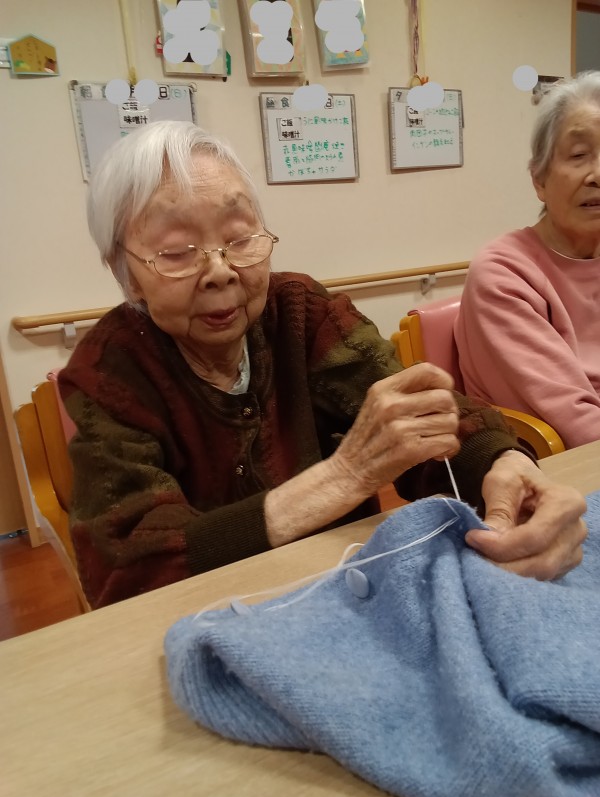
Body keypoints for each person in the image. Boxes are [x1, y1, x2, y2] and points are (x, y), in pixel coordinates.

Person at [59, 120, 586, 609]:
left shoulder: (301, 312)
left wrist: (504, 467)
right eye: (177, 252)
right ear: (125, 273)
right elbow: (127, 567)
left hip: (348, 595)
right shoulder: (109, 371)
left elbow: (416, 414)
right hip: (211, 618)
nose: (220, 271)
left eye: (239, 238)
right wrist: (346, 475)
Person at [455, 71, 600, 449]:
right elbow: (574, 422)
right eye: (579, 155)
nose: (598, 175)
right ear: (539, 179)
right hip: (559, 467)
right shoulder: (503, 273)